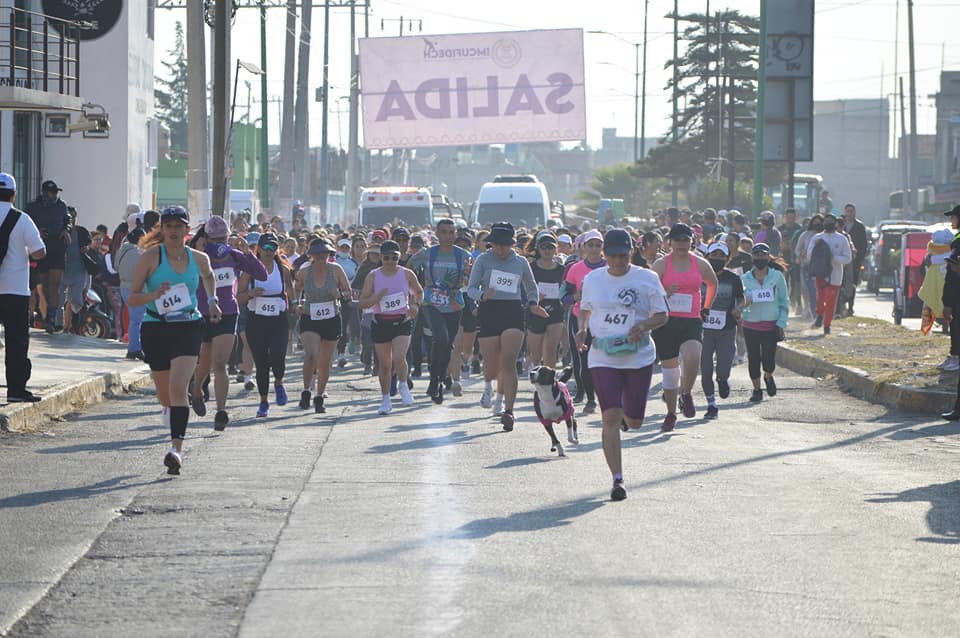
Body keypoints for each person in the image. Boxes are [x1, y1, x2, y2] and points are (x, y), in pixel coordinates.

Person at [127, 206, 222, 475]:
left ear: (187, 230)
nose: (173, 231)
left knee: (178, 388)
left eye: (178, 226)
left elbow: (209, 276)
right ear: (162, 229)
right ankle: (171, 412)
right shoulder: (150, 258)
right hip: (156, 327)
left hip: (188, 326)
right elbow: (133, 297)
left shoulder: (199, 258)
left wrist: (212, 301)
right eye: (168, 226)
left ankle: (176, 451)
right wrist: (154, 294)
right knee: (165, 395)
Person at [577, 228, 668, 500]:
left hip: (637, 356)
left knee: (635, 421)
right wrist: (582, 328)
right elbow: (585, 308)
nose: (618, 261)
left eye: (623, 255)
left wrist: (644, 324)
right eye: (613, 255)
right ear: (603, 254)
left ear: (632, 252)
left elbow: (663, 314)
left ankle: (628, 420)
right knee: (610, 417)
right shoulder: (593, 278)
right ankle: (617, 479)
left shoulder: (647, 278)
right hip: (603, 356)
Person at [467, 222, 548, 430]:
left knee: (509, 360)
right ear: (491, 244)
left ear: (512, 244)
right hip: (489, 310)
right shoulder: (483, 260)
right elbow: (471, 289)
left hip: (512, 311)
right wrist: (483, 295)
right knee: (492, 362)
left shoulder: (520, 262)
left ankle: (509, 410)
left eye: (505, 245)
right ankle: (489, 387)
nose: (501, 250)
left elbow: (531, 287)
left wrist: (532, 304)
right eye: (497, 245)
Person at [190, 215, 266, 429]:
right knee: (204, 361)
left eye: (223, 240)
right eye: (215, 241)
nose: (219, 246)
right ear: (206, 239)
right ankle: (196, 389)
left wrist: (248, 253)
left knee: (220, 363)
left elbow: (261, 273)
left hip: (228, 312)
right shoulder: (200, 256)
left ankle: (221, 411)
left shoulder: (234, 255)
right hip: (201, 312)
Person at [650, 223, 718, 432]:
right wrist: (664, 292)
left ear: (692, 242)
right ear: (670, 242)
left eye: (686, 240)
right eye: (677, 240)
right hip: (666, 322)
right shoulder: (661, 264)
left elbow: (713, 284)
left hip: (690, 320)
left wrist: (706, 307)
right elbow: (648, 290)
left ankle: (686, 393)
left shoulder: (700, 263)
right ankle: (671, 413)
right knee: (670, 374)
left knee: (693, 356)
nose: (681, 244)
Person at [405, 219, 471, 404]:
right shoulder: (427, 253)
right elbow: (408, 267)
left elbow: (469, 280)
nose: (448, 236)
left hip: (454, 305)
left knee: (446, 345)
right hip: (431, 303)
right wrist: (416, 289)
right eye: (444, 232)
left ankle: (437, 380)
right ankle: (436, 381)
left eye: (451, 232)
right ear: (437, 233)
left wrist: (467, 274)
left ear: (455, 234)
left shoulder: (464, 255)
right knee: (440, 338)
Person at [358, 239, 422, 415]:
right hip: (381, 322)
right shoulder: (373, 275)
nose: (390, 261)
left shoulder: (406, 274)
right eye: (386, 258)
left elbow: (419, 292)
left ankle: (403, 386)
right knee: (385, 365)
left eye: (394, 257)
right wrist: (376, 298)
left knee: (400, 357)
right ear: (381, 258)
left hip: (402, 320)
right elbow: (362, 302)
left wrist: (415, 306)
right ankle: (385, 399)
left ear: (399, 257)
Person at [0, 173, 46, 402]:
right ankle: (15, 391)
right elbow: (39, 251)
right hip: (15, 290)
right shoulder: (22, 219)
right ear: (13, 194)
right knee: (16, 341)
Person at [237, 233, 294, 418]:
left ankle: (278, 382)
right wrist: (251, 293)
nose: (269, 252)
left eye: (273, 248)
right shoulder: (249, 271)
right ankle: (263, 401)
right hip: (257, 320)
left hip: (278, 319)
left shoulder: (282, 269)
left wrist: (294, 305)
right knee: (261, 363)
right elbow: (238, 297)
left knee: (278, 355)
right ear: (258, 249)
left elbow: (290, 290)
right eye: (266, 248)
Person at [294, 238, 351, 413]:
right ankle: (305, 391)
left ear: (329, 254)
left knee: (325, 360)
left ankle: (319, 395)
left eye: (324, 253)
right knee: (311, 354)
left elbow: (348, 294)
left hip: (331, 317)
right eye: (317, 253)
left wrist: (339, 293)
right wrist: (297, 303)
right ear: (311, 255)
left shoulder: (336, 270)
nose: (320, 256)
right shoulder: (305, 272)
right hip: (310, 316)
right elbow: (297, 289)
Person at [563, 229, 606, 414]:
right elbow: (563, 296)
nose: (595, 249)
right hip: (580, 318)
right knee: (585, 359)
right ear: (584, 247)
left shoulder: (610, 267)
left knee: (606, 359)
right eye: (591, 245)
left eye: (598, 245)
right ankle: (590, 398)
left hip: (605, 319)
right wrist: (575, 296)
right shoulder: (575, 268)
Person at [740, 243, 789, 402]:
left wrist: (781, 323)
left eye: (763, 255)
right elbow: (739, 302)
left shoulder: (776, 277)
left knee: (769, 359)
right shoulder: (745, 278)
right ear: (752, 257)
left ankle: (768, 376)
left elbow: (784, 301)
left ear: (768, 257)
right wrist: (744, 304)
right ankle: (756, 389)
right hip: (750, 325)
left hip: (770, 325)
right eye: (757, 255)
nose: (760, 258)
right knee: (753, 359)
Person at [700, 241, 744, 419]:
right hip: (703, 331)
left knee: (724, 367)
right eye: (713, 255)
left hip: (726, 329)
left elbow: (741, 298)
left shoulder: (733, 279)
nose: (717, 259)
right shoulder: (700, 276)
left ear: (727, 259)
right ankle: (711, 404)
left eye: (720, 256)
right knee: (705, 368)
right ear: (707, 257)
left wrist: (738, 308)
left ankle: (723, 380)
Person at [25, 180, 71, 333]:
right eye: (52, 192)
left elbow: (67, 220)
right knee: (43, 285)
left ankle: (50, 318)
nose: (55, 195)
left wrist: (66, 229)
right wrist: (36, 232)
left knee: (54, 285)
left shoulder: (61, 206)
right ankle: (42, 314)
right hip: (41, 248)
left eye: (56, 192)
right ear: (45, 193)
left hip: (57, 248)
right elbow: (25, 222)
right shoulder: (33, 206)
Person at [525, 231, 566, 368]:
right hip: (535, 312)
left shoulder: (562, 270)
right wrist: (533, 296)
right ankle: (538, 383)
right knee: (536, 356)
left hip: (555, 312)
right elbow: (521, 289)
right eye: (544, 247)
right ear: (538, 248)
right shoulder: (531, 268)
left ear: (556, 249)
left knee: (550, 349)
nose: (547, 251)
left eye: (551, 247)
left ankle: (550, 383)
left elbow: (567, 290)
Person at [807, 213, 852, 334]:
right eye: (826, 221)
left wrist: (833, 258)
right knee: (820, 298)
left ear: (836, 223)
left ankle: (827, 325)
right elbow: (809, 255)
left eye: (831, 221)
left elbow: (848, 258)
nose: (828, 223)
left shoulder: (841, 239)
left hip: (835, 274)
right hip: (821, 273)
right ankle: (819, 315)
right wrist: (820, 253)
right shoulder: (817, 238)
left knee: (831, 300)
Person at [59, 206, 92, 334]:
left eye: (73, 216)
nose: (71, 219)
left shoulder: (82, 231)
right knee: (59, 299)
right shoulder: (60, 231)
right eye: (69, 216)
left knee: (77, 300)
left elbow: (89, 244)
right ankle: (59, 324)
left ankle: (74, 325)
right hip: (63, 270)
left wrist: (87, 248)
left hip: (79, 270)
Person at [334, 237, 359, 366]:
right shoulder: (334, 261)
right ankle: (338, 352)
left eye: (347, 248)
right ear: (338, 248)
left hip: (349, 296)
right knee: (339, 325)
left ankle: (346, 349)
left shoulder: (354, 263)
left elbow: (357, 278)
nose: (344, 250)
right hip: (335, 296)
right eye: (342, 247)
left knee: (349, 324)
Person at [842, 203, 868, 315]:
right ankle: (840, 305)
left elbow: (863, 244)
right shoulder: (840, 225)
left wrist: (860, 258)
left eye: (851, 211)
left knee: (852, 283)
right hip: (841, 260)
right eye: (847, 211)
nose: (849, 213)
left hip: (855, 261)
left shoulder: (859, 227)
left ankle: (850, 306)